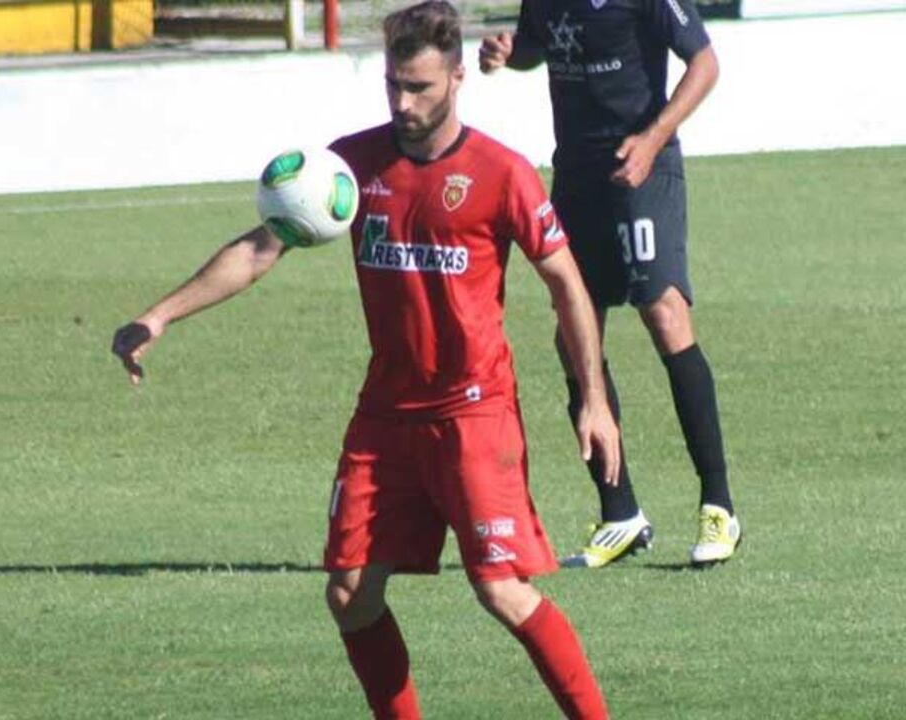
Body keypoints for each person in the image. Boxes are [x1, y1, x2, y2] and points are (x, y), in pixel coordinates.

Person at [112, 3, 619, 716]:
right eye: (392, 86)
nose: (403, 104)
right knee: (349, 594)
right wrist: (157, 315)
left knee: (500, 591)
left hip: (474, 412)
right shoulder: (347, 167)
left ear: (455, 78)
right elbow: (261, 247)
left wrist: (591, 398)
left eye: (420, 88)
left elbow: (566, 282)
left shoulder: (501, 173)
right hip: (385, 417)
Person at [478, 0, 740, 568]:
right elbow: (541, 46)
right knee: (572, 335)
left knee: (664, 313)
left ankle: (719, 506)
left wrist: (652, 139)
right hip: (577, 171)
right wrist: (509, 53)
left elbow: (705, 64)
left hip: (642, 165)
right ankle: (621, 513)